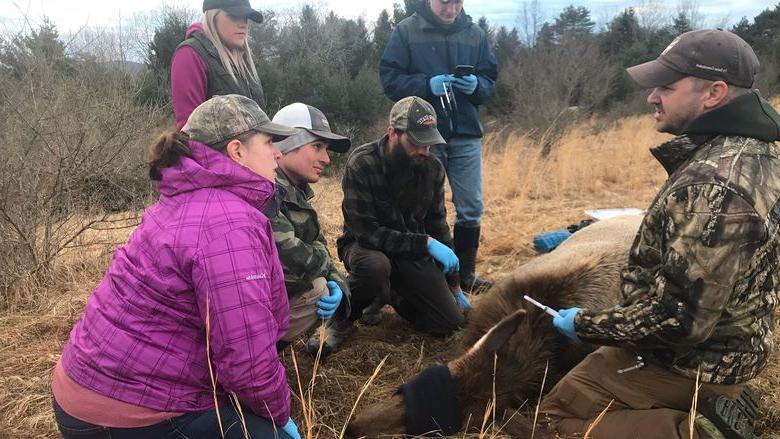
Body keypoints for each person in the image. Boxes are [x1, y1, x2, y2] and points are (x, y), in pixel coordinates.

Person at [541, 29, 780, 438]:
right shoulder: (756, 151)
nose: (652, 96)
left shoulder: (712, 186)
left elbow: (681, 321)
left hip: (690, 361)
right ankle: (717, 400)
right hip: (734, 349)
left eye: (666, 86)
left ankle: (698, 429)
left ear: (714, 93)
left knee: (553, 418)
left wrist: (585, 324)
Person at [51, 95, 303, 439]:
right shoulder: (230, 223)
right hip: (127, 416)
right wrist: (279, 419)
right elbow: (248, 365)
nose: (277, 153)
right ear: (236, 151)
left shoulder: (181, 199)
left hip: (77, 393)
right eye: (269, 141)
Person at [379, 0, 498, 292]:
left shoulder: (476, 34)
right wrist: (426, 85)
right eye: (445, 2)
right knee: (415, 206)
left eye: (458, 2)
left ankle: (464, 276)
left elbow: (490, 80)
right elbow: (390, 80)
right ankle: (414, 278)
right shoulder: (406, 31)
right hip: (422, 137)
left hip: (467, 134)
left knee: (471, 207)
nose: (452, 9)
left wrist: (477, 87)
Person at [336, 96, 471, 337]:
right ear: (392, 133)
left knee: (449, 323)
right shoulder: (362, 164)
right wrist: (425, 243)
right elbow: (367, 232)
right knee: (375, 267)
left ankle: (389, 294)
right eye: (416, 143)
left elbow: (437, 224)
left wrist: (455, 285)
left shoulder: (433, 168)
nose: (424, 151)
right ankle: (343, 317)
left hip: (410, 252)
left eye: (429, 144)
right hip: (366, 247)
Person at [263, 102, 353, 357]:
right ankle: (254, 360)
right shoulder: (266, 187)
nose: (326, 158)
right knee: (315, 290)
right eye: (317, 146)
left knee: (322, 285)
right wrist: (326, 272)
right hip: (242, 306)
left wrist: (337, 282)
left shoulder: (296, 190)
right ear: (288, 143)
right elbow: (288, 253)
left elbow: (319, 244)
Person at [171, 0, 265, 129]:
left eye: (245, 17)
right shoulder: (190, 55)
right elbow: (189, 134)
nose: (243, 24)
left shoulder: (243, 60)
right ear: (213, 17)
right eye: (234, 16)